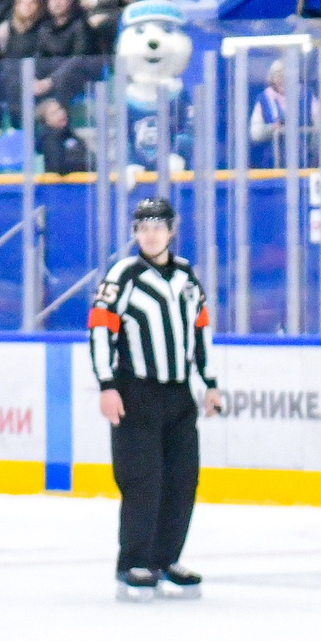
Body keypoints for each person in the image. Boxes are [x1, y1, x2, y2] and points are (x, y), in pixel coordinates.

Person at [90, 197, 225, 601]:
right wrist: (107, 384)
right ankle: (134, 561)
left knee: (182, 480)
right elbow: (100, 329)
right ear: (135, 233)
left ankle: (166, 558)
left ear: (171, 231)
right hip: (137, 393)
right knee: (142, 479)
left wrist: (210, 382)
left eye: (158, 227)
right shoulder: (123, 275)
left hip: (179, 394)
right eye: (143, 228)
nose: (150, 235)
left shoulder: (186, 276)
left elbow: (200, 331)